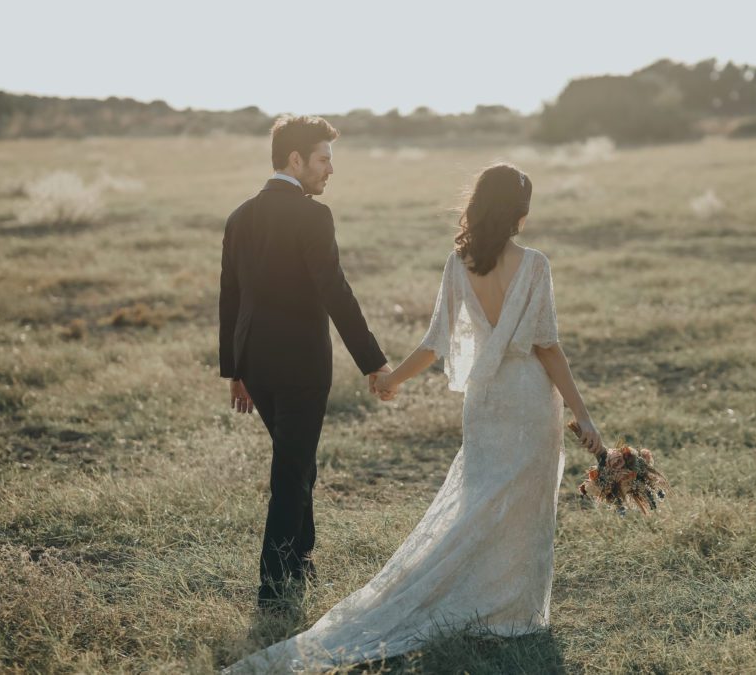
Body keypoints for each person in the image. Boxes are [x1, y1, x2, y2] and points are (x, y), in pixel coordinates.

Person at [224, 163, 602, 673]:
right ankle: (513, 611)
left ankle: (482, 599)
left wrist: (393, 379)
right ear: (521, 214)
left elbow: (434, 343)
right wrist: (583, 415)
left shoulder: (460, 262)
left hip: (486, 402)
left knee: (479, 500)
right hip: (531, 401)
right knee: (525, 506)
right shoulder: (535, 265)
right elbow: (548, 347)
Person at [219, 115, 392, 612]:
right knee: (291, 472)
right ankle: (274, 590)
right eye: (323, 159)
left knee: (297, 463)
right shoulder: (313, 217)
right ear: (294, 160)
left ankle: (299, 559)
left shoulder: (239, 216)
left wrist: (235, 370)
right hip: (300, 368)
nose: (330, 170)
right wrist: (373, 362)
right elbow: (335, 292)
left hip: (255, 365)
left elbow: (229, 299)